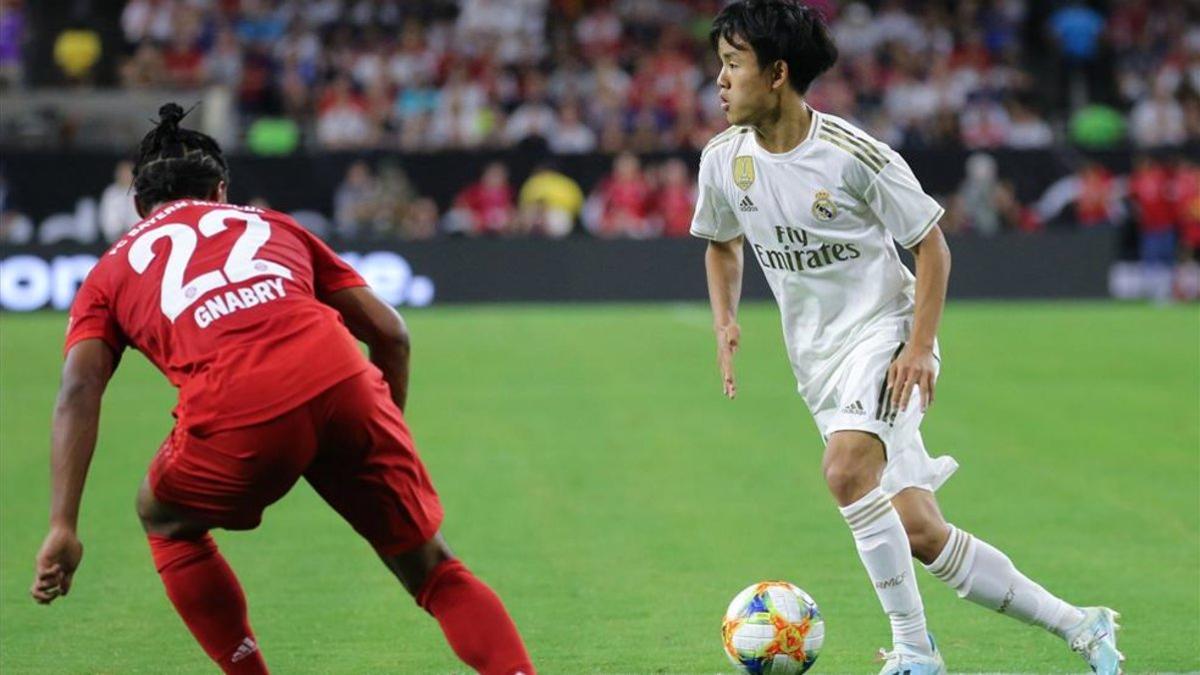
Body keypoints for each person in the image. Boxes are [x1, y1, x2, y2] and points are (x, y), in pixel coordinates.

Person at [29, 104, 535, 675]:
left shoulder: (108, 273)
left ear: (138, 207)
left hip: (236, 407)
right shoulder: (273, 224)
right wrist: (382, 435)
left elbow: (79, 389)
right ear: (220, 191)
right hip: (346, 383)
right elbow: (391, 333)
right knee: (434, 571)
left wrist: (62, 526)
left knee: (163, 515)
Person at [691, 4, 1121, 674]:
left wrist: (918, 346)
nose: (718, 81)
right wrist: (725, 319)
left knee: (844, 471)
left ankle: (917, 652)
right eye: (719, 63)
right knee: (920, 531)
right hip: (819, 362)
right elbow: (721, 242)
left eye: (732, 64)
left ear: (777, 74)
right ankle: (1081, 624)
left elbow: (932, 246)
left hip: (886, 335)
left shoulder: (854, 155)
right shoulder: (723, 160)